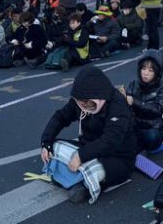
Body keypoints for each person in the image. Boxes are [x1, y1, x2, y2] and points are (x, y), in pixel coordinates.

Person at [40, 65, 137, 204]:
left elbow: (110, 140)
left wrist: (80, 156)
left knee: (98, 170)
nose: (83, 106)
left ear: (98, 95)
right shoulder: (80, 100)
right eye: (80, 103)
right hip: (90, 147)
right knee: (54, 147)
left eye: (87, 103)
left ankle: (83, 184)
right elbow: (60, 117)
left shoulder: (118, 105)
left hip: (117, 156)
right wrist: (46, 142)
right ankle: (77, 178)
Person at [124, 50, 163, 152]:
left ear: (157, 72)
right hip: (134, 123)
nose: (145, 73)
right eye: (143, 68)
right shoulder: (133, 83)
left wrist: (135, 103)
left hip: (152, 126)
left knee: (151, 139)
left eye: (150, 70)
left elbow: (157, 110)